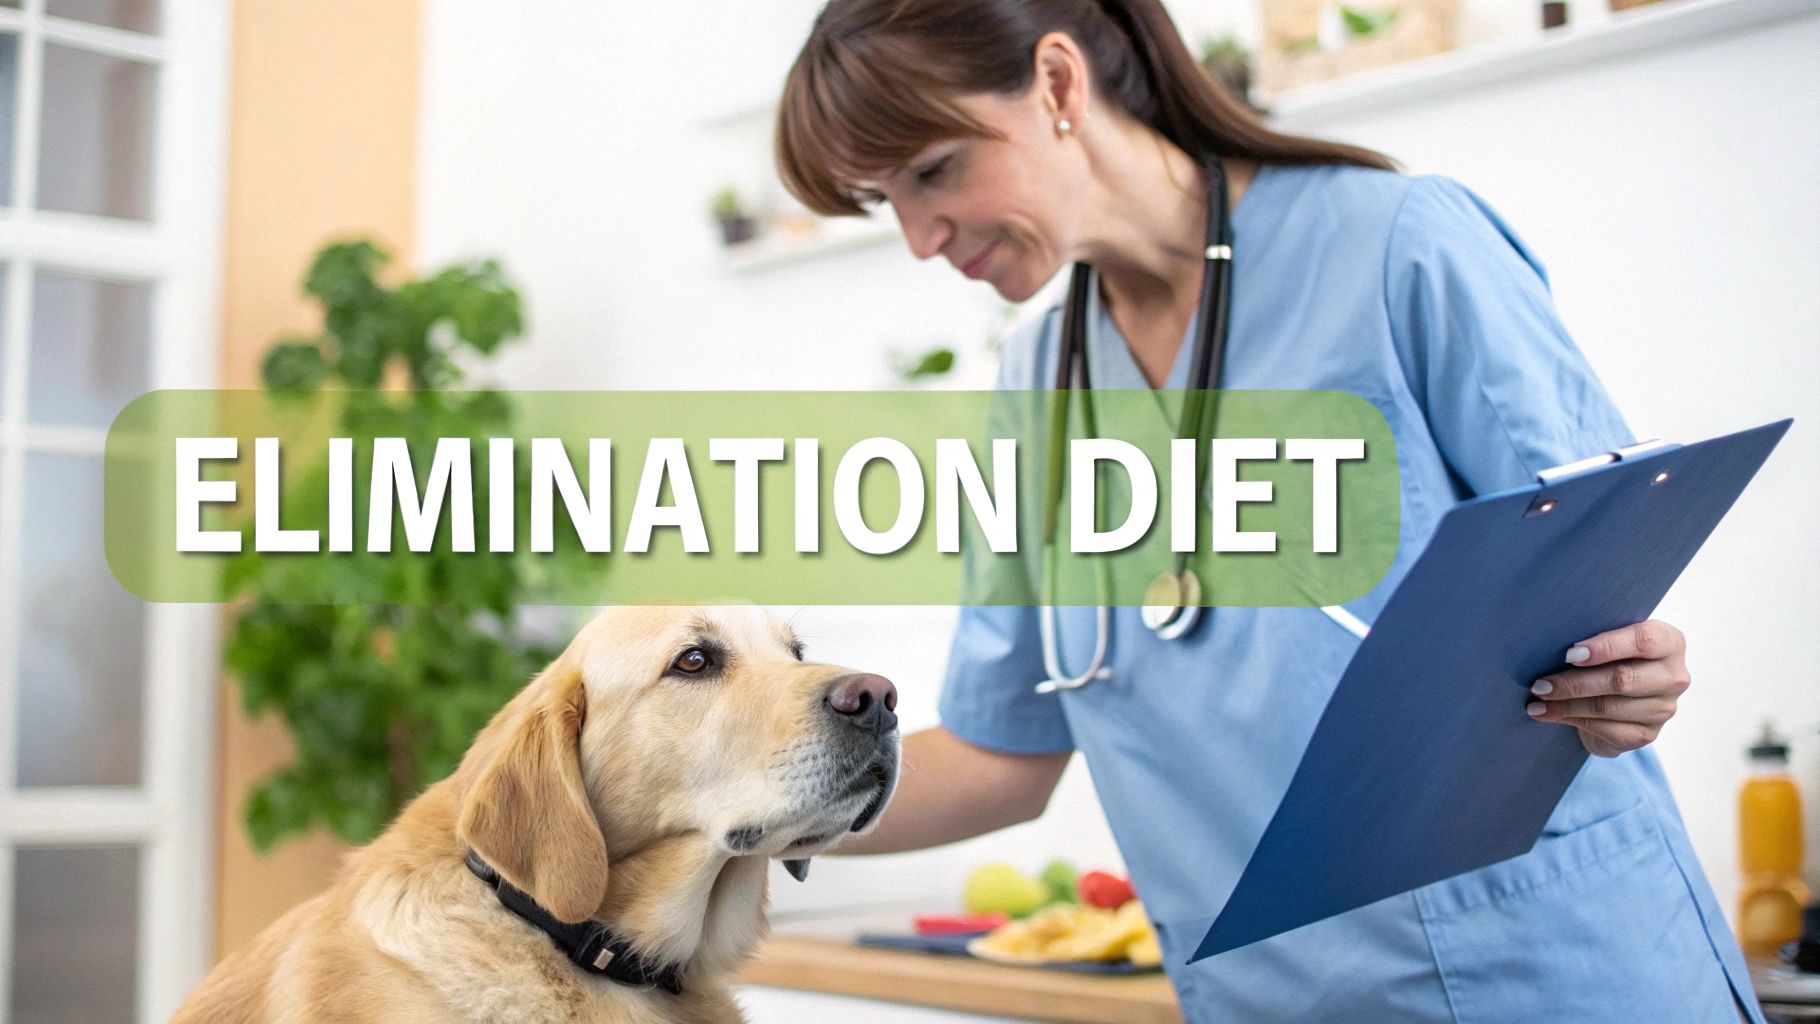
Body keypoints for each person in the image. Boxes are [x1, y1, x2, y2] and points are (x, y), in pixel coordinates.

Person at [774, 1, 1759, 1021]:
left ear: (1058, 84)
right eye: (879, 197)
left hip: (1544, 972)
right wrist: (722, 812)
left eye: (931, 170)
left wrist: (1627, 679)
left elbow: (1605, 568)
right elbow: (999, 758)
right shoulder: (1039, 388)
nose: (920, 237)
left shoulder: (1393, 246)